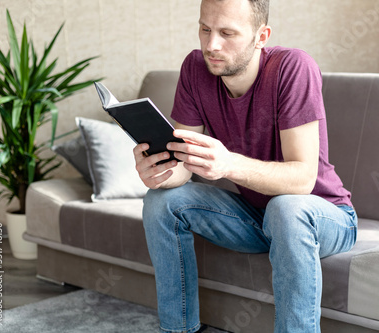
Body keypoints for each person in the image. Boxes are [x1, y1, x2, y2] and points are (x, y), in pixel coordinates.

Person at [134, 0, 358, 332]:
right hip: (259, 220)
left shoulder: (293, 68)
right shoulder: (196, 69)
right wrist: (159, 173)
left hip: (326, 216)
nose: (211, 45)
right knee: (161, 202)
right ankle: (178, 328)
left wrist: (228, 164)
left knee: (287, 209)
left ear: (261, 35)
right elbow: (183, 166)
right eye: (205, 29)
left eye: (227, 33)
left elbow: (302, 179)